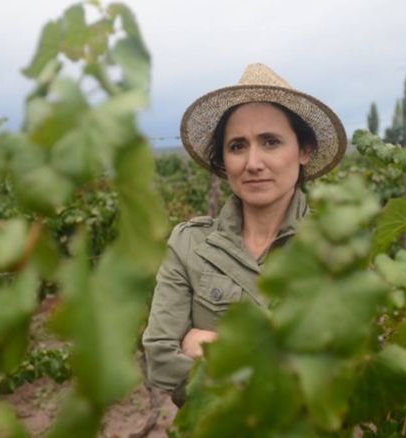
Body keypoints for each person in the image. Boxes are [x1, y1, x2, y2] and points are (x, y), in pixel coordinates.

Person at [142, 63, 347, 406]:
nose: (253, 163)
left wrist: (212, 347)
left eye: (270, 142)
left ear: (304, 150)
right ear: (223, 160)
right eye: (237, 146)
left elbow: (338, 379)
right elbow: (161, 364)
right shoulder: (189, 243)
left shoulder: (335, 247)